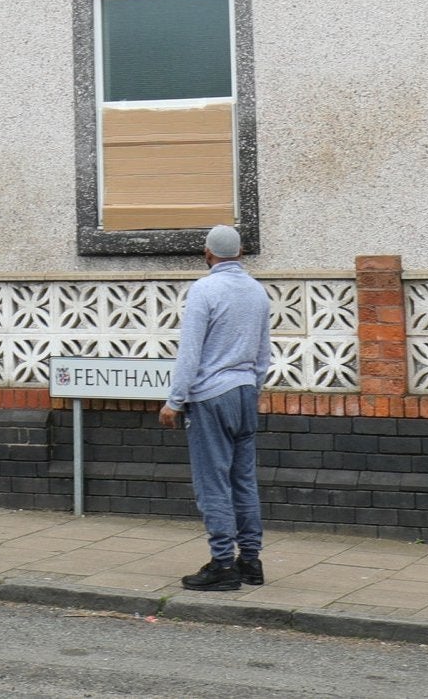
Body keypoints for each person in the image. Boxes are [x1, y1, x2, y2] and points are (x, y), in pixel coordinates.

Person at [157, 224, 274, 592]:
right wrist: (251, 388)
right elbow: (263, 353)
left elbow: (190, 353)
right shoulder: (257, 293)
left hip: (210, 396)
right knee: (243, 479)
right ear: (240, 254)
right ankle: (251, 562)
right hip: (244, 394)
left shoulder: (204, 289)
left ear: (208, 254)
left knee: (213, 483)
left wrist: (175, 401)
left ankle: (223, 564)